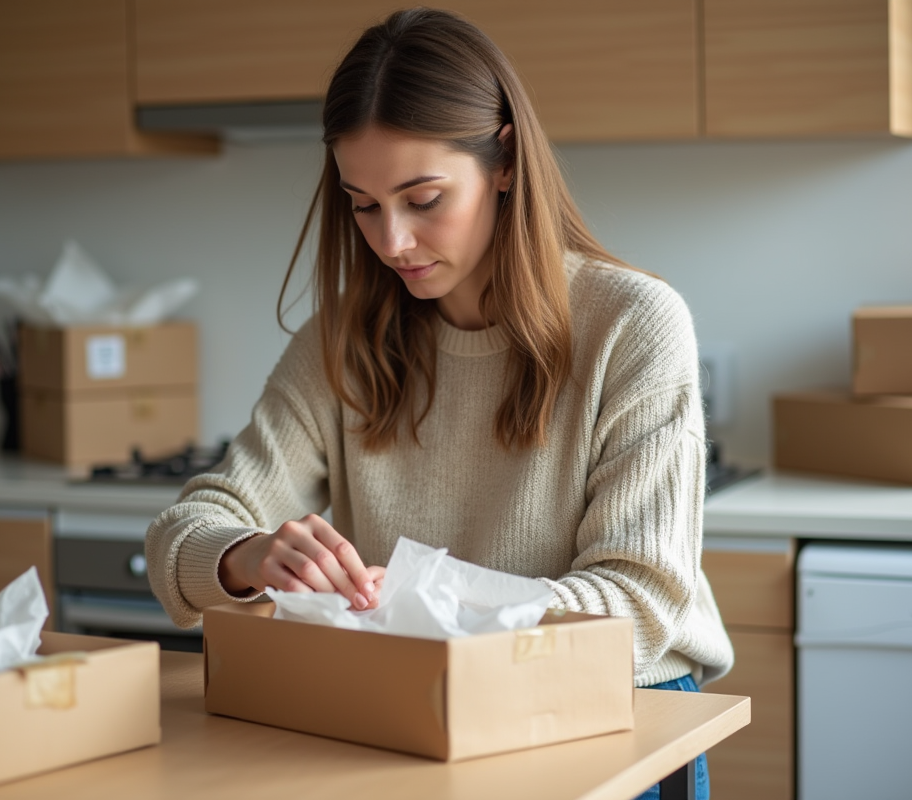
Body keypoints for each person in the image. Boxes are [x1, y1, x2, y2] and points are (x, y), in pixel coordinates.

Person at [146, 7, 732, 798]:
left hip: (613, 717)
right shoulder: (342, 340)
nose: (391, 243)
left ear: (505, 163)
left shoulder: (634, 323)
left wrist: (424, 607)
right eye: (363, 204)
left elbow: (636, 604)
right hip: (414, 712)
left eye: (423, 199)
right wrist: (247, 557)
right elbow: (181, 533)